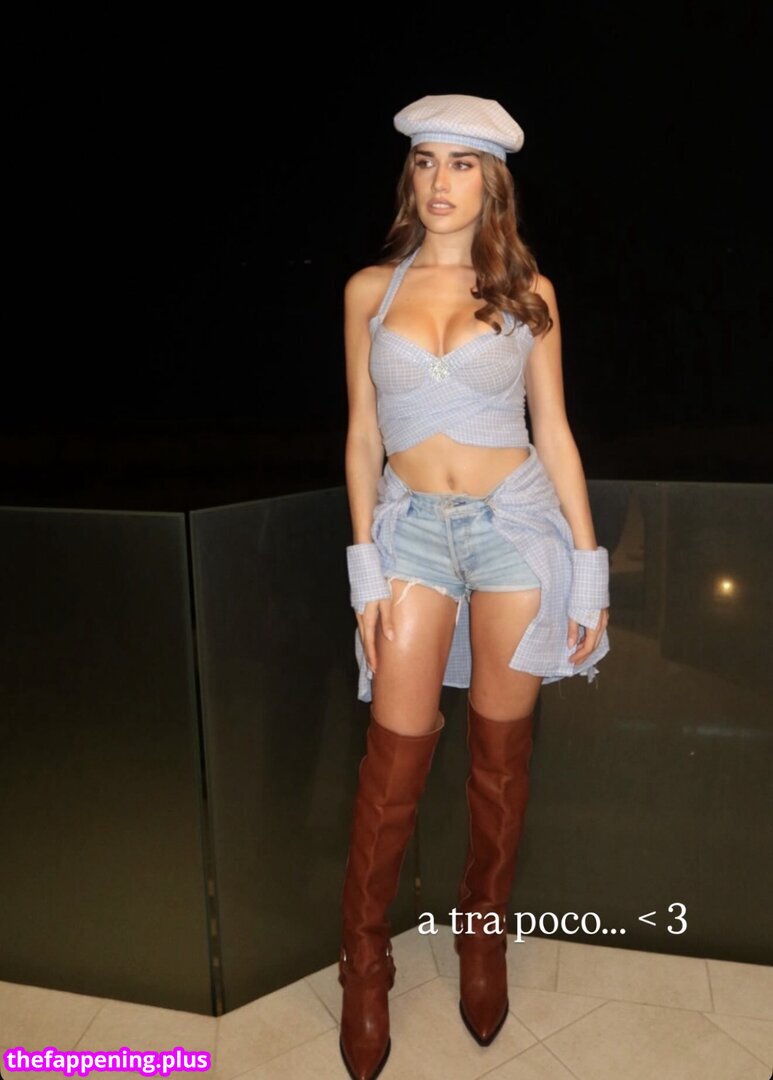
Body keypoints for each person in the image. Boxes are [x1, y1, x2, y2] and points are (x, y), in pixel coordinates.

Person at [337, 93, 611, 1080]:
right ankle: (363, 963)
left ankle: (481, 935)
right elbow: (362, 437)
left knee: (500, 759)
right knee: (394, 758)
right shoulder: (369, 290)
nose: (439, 182)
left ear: (492, 183)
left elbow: (555, 432)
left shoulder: (528, 291)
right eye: (425, 162)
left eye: (461, 165)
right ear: (407, 175)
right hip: (410, 531)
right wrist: (363, 572)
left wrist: (589, 573)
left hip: (517, 531)